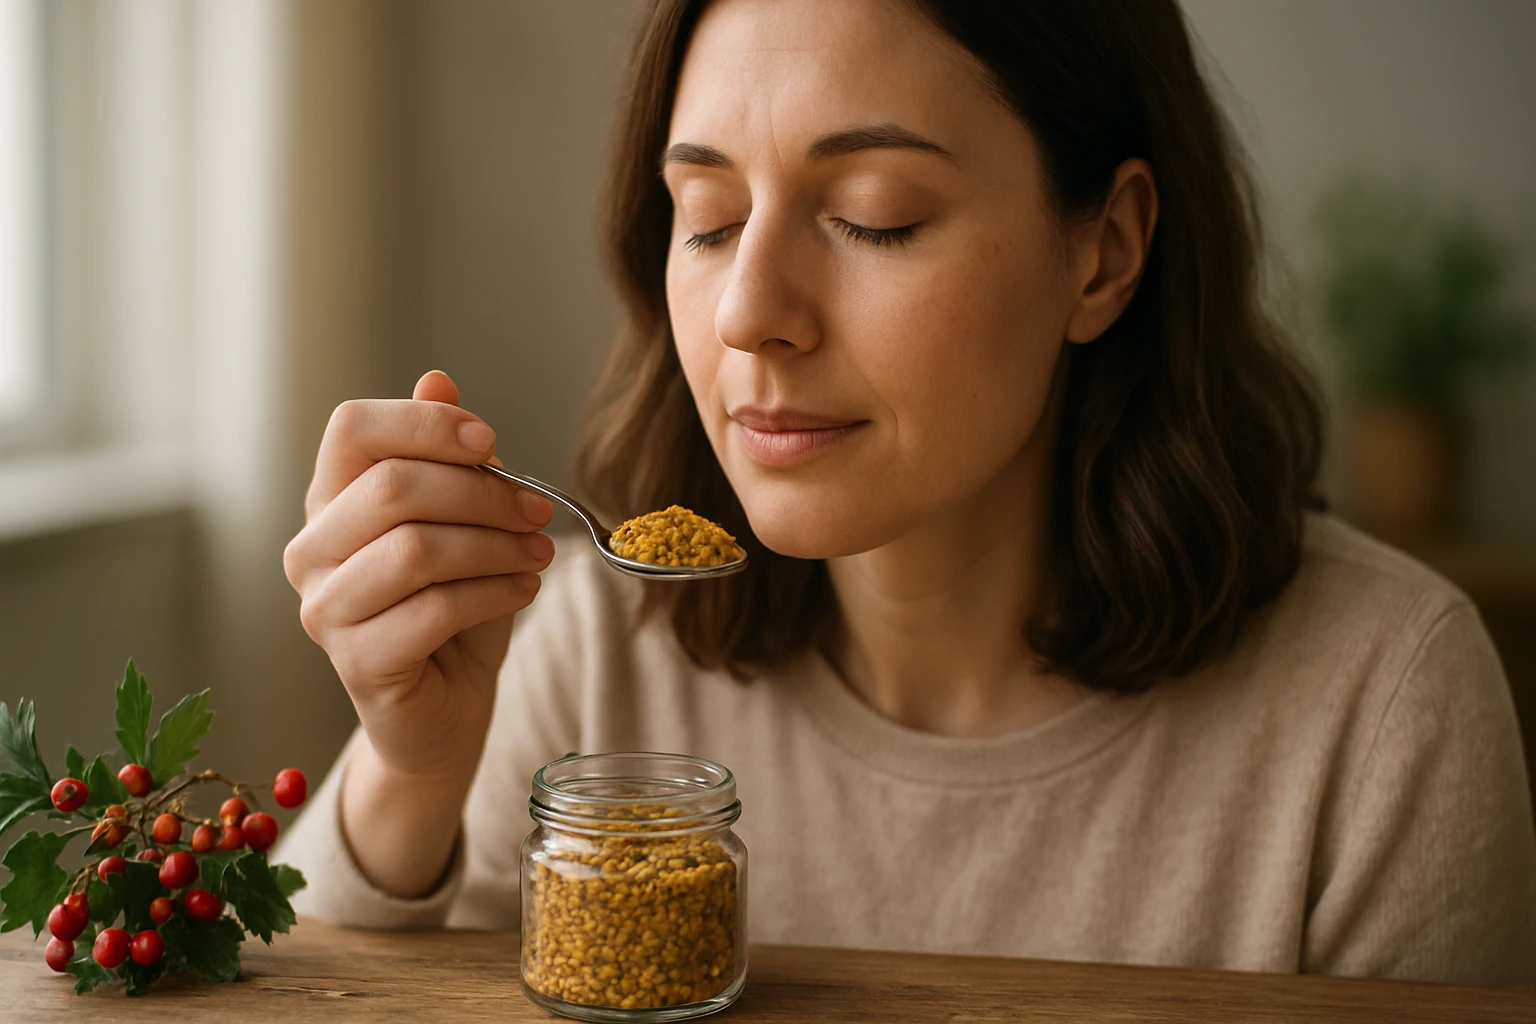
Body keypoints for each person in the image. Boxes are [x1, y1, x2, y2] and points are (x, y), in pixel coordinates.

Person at [277, 0, 1536, 984]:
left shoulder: (1381, 708)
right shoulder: (607, 649)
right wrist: (412, 770)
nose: (750, 315)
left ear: (1105, 252)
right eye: (707, 218)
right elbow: (291, 986)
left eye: (874, 218)